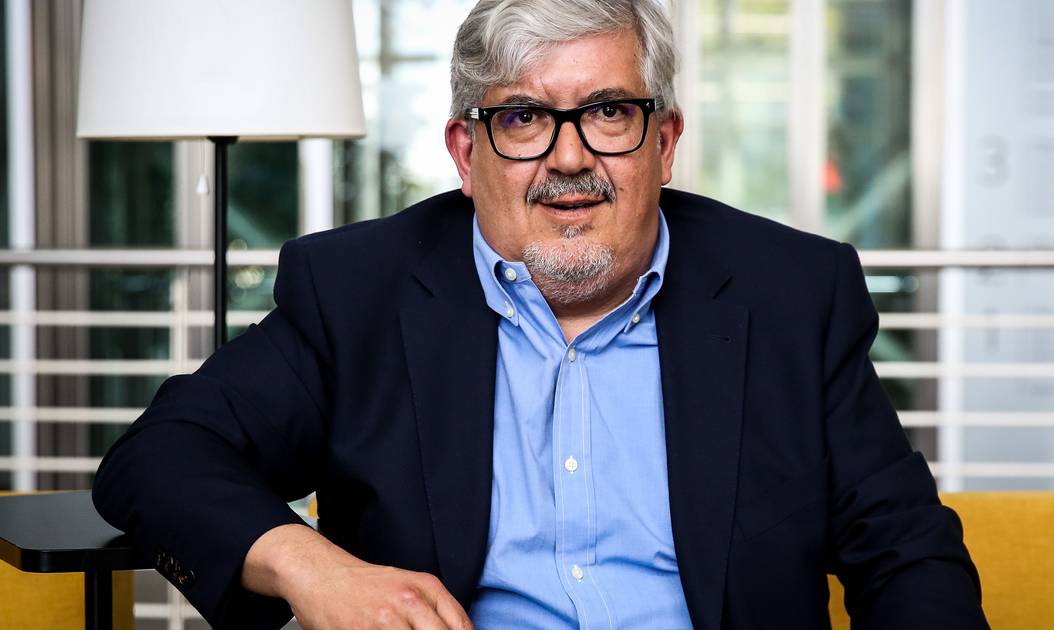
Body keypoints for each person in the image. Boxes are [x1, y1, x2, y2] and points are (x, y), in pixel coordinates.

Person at [92, 1, 989, 628]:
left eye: (609, 112)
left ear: (665, 141)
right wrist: (311, 566)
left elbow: (907, 557)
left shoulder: (791, 294)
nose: (568, 158)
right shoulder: (357, 291)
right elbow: (159, 457)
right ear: (464, 151)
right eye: (523, 118)